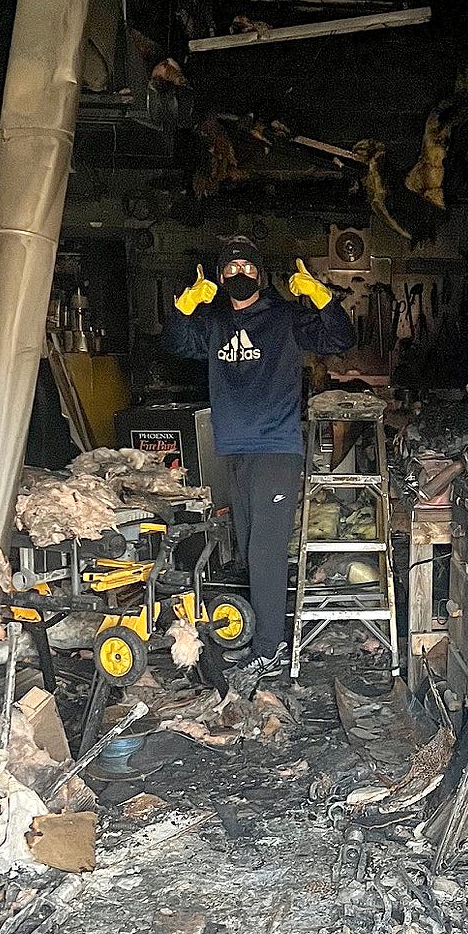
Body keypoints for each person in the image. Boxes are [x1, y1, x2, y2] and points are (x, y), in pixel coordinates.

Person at [163, 235, 354, 672]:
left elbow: (339, 338)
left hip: (276, 447)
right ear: (218, 276)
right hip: (234, 450)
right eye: (231, 268)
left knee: (266, 551)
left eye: (248, 266)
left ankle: (270, 648)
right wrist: (185, 306)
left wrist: (323, 299)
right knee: (250, 550)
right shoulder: (213, 323)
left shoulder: (285, 318)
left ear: (261, 273)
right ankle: (263, 635)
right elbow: (176, 342)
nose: (240, 275)